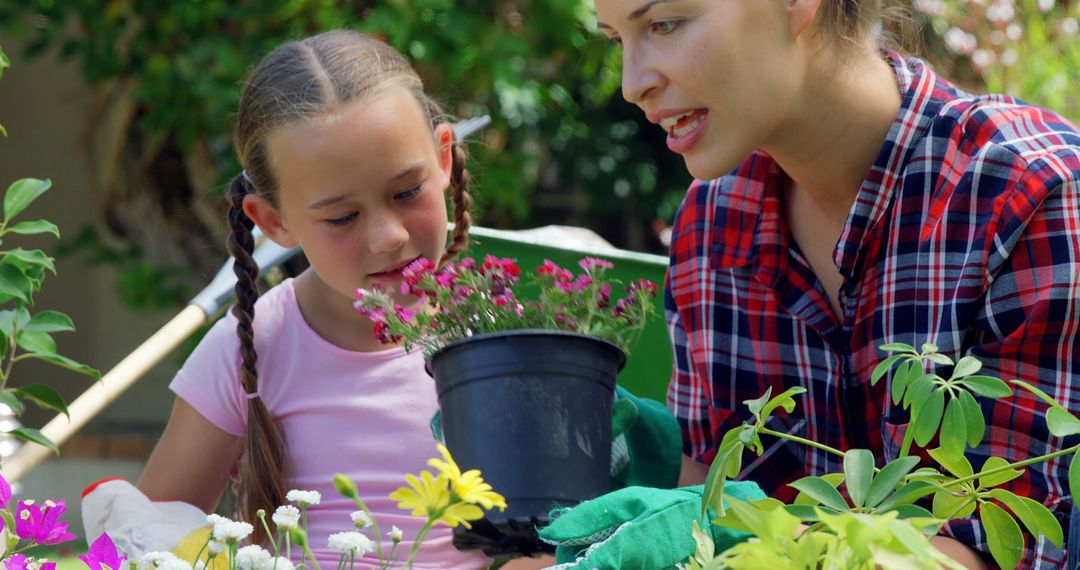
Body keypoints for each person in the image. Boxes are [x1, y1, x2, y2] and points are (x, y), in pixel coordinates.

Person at [542, 0, 1080, 568]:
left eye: (664, 24)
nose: (633, 85)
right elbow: (722, 491)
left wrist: (754, 544)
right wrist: (640, 458)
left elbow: (1007, 548)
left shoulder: (1027, 194)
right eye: (616, 40)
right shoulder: (709, 226)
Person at [135, 29, 493, 568]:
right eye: (342, 217)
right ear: (273, 221)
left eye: (406, 192)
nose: (387, 236)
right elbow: (148, 542)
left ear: (443, 158)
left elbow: (549, 536)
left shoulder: (504, 336)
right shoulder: (250, 347)